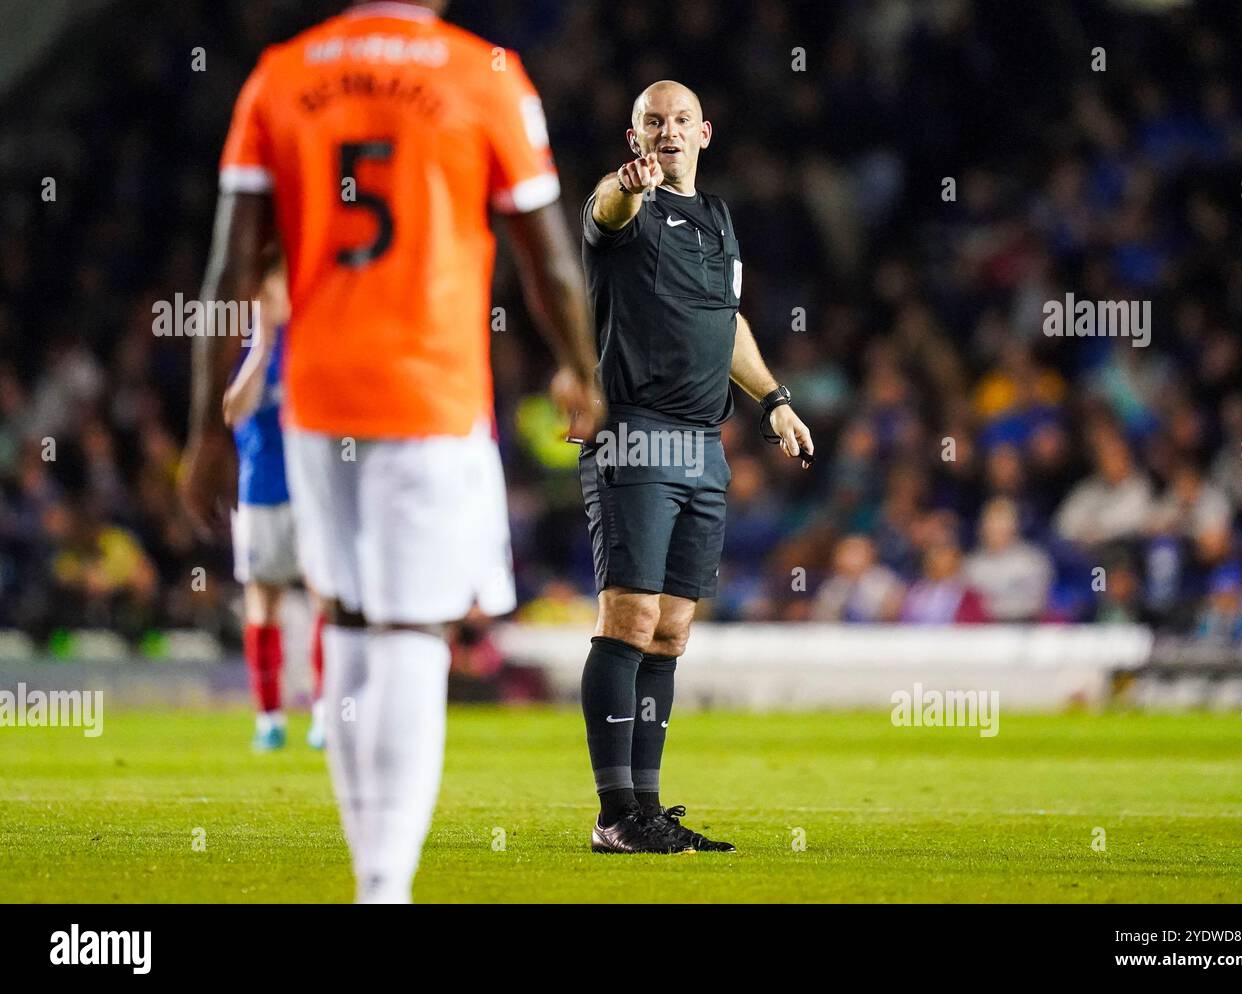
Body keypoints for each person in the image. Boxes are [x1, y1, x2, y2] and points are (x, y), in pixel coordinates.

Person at [180, 0, 601, 903]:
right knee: (412, 632)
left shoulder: (281, 73)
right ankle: (383, 888)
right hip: (429, 391)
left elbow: (226, 272)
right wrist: (579, 368)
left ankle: (374, 878)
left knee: (353, 624)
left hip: (316, 402)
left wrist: (205, 429)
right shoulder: (483, 73)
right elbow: (549, 257)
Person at [576, 80, 813, 854]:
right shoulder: (625, 207)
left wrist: (774, 399)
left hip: (703, 444)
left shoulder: (716, 220)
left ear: (705, 133)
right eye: (653, 121)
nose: (667, 130)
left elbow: (727, 321)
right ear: (634, 133)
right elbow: (607, 209)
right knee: (629, 620)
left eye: (680, 120)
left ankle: (644, 809)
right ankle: (615, 814)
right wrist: (623, 184)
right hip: (636, 436)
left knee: (671, 634)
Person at [222, 261, 326, 751]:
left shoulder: (310, 343)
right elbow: (232, 410)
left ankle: (325, 711)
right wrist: (261, 349)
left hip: (310, 492)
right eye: (266, 292)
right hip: (259, 493)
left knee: (325, 595)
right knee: (263, 603)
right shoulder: (248, 348)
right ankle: (269, 717)